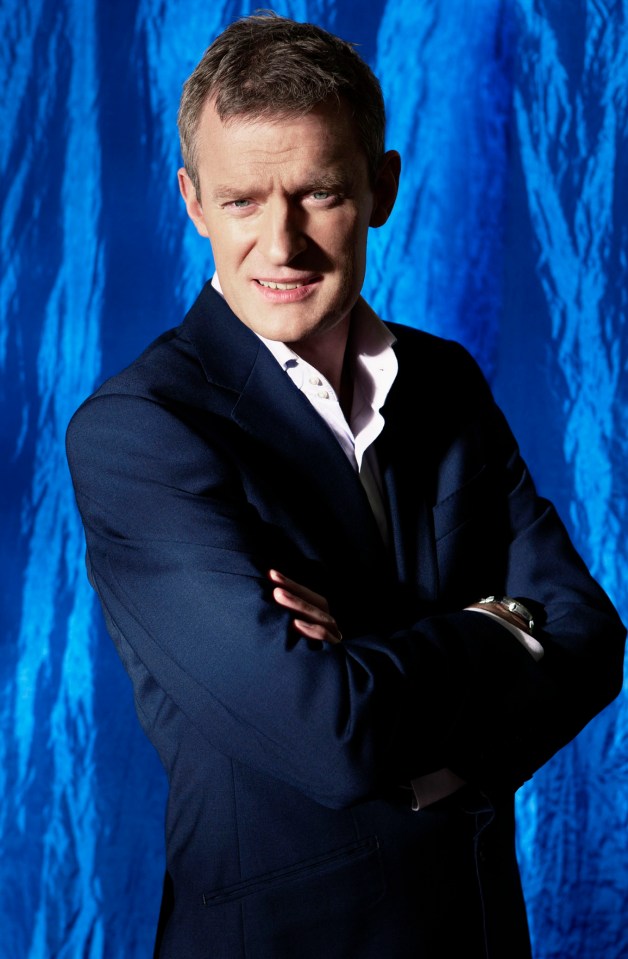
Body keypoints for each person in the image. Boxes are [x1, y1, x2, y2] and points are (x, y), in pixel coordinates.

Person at [65, 12, 625, 959]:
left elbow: (592, 639)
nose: (280, 244)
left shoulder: (446, 383)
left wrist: (371, 663)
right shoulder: (140, 432)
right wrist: (499, 623)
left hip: (480, 932)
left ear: (380, 189)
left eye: (317, 192)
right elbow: (328, 734)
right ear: (192, 201)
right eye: (242, 201)